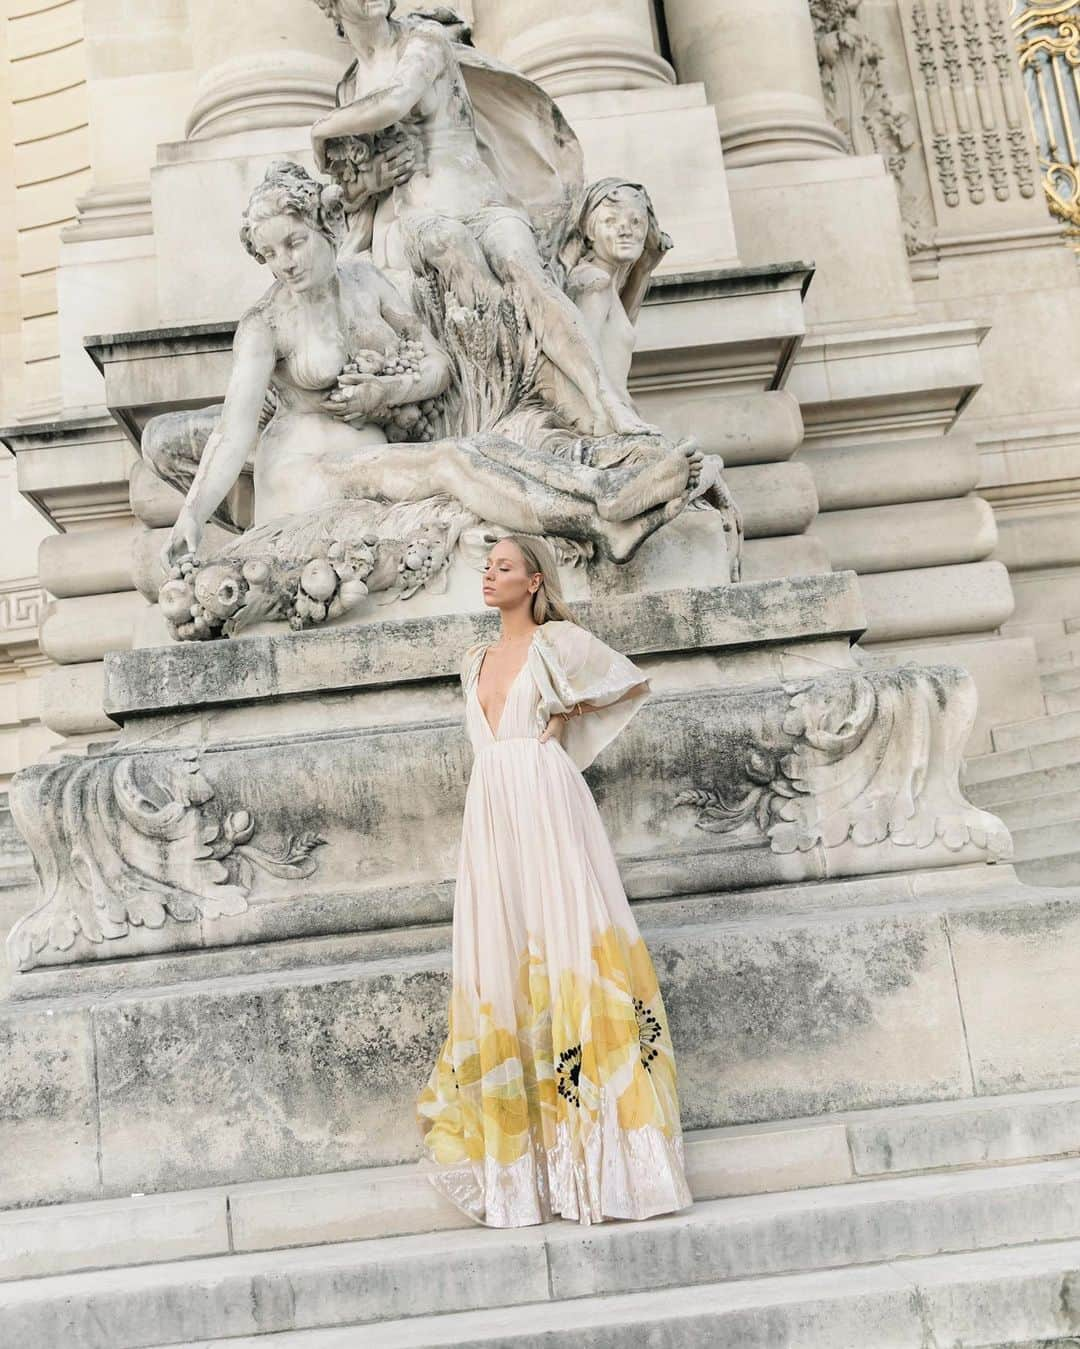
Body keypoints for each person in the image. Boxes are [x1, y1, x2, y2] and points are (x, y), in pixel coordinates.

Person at [416, 534, 693, 1226]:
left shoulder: (557, 642)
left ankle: (607, 1166)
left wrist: (568, 718)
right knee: (501, 962)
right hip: (491, 812)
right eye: (487, 567)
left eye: (503, 567)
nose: (490, 576)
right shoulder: (472, 659)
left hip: (546, 797)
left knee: (569, 954)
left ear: (534, 580)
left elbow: (626, 679)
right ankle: (529, 1174)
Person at [308, 0, 651, 438]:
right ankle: (524, 397)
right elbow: (355, 191)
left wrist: (321, 130)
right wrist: (373, 177)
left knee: (530, 275)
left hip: (480, 201)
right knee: (456, 250)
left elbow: (396, 99)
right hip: (420, 219)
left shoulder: (422, 40)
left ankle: (606, 402)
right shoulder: (351, 85)